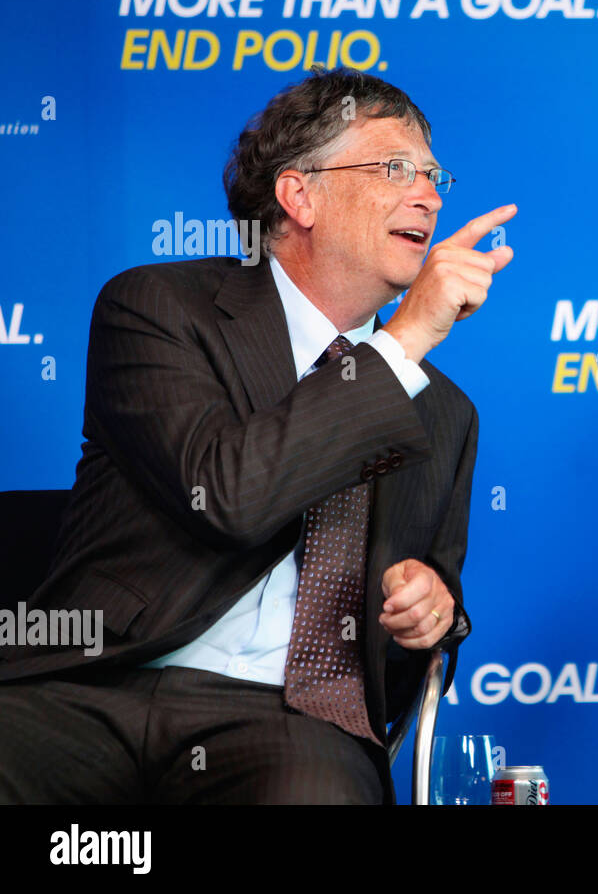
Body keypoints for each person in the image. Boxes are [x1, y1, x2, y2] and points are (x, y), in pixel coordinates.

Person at [0, 67, 516, 803]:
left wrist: (431, 613)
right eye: (395, 167)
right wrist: (399, 346)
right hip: (93, 693)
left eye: (435, 175)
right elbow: (230, 496)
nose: (429, 194)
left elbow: (401, 665)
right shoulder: (160, 310)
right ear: (298, 194)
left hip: (286, 721)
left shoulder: (443, 413)